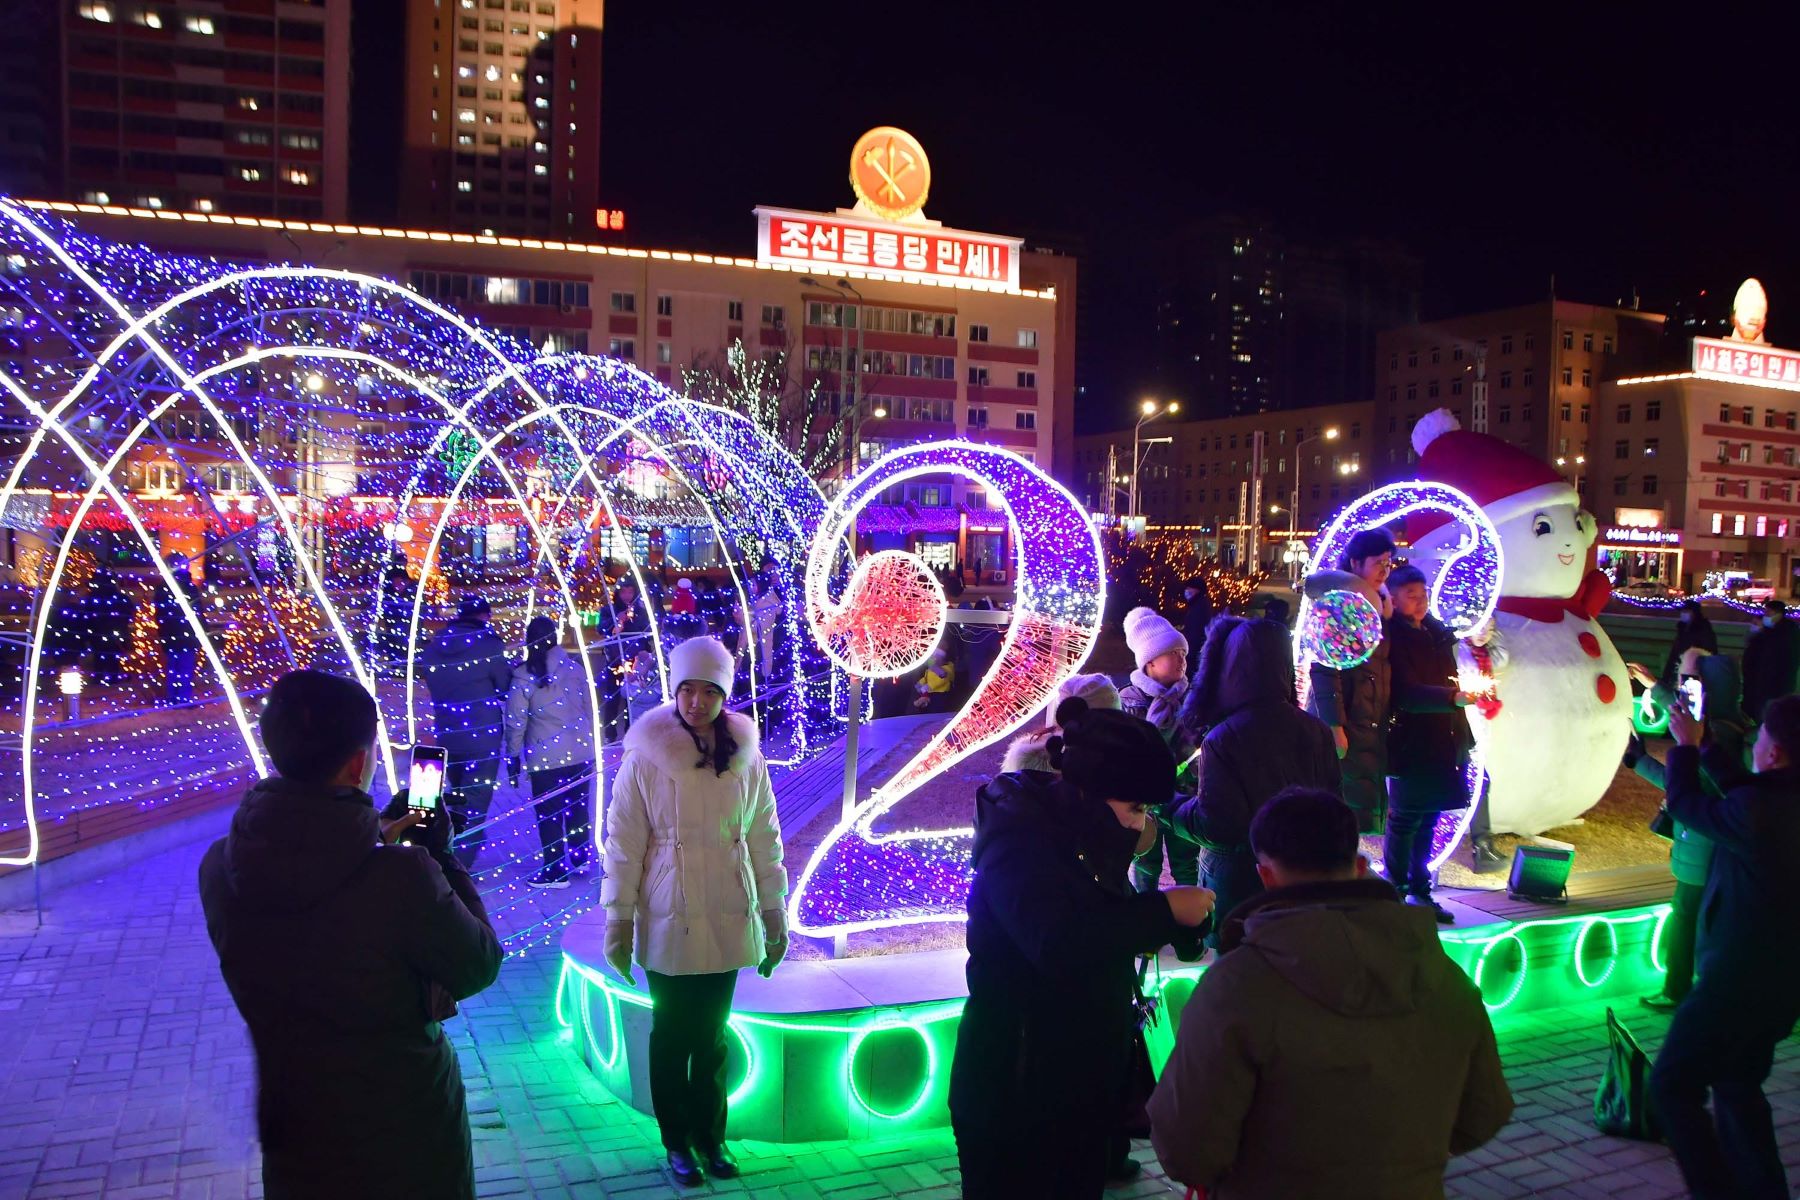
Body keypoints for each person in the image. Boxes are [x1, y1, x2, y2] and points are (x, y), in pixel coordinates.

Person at [198, 670, 503, 1199]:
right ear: (359, 764)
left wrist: (377, 834)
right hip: (405, 1130)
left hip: (294, 1127)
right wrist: (440, 856)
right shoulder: (402, 878)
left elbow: (306, 872)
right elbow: (478, 963)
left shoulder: (220, 867)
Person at [1149, 787, 1512, 1198]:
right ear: (1359, 866)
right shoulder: (1445, 977)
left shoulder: (1235, 988)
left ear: (1266, 877)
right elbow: (1482, 1116)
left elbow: (1186, 1149)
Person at [950, 697, 1216, 1199]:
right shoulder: (1020, 839)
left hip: (1076, 1085)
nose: (1141, 825)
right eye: (1136, 808)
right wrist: (1161, 911)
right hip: (1016, 1087)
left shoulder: (1084, 837)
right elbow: (1057, 940)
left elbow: (1101, 926)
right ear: (1091, 794)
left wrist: (1173, 924)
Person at [600, 636, 786, 1188]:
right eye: (687, 690)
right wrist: (619, 919)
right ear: (674, 690)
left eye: (709, 692)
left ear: (724, 696)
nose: (696, 702)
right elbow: (623, 843)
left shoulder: (746, 755)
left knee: (712, 1036)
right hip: (669, 912)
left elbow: (764, 835)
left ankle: (711, 1135)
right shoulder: (646, 756)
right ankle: (676, 1141)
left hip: (727, 909)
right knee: (672, 1034)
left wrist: (774, 911)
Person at [1651, 694, 1800, 1200]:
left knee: (1672, 1086)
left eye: (1761, 738)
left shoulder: (1758, 811)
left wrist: (1683, 749)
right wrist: (1707, 744)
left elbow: (1687, 805)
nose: (1754, 744)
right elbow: (1745, 790)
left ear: (1773, 753)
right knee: (1738, 1084)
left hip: (1735, 983)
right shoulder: (1777, 799)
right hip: (1781, 981)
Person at [1166, 616, 1340, 947]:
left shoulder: (1224, 737)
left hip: (1239, 891)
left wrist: (1169, 805)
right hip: (1306, 882)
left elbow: (1217, 826)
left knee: (1241, 971)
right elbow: (1335, 809)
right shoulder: (1316, 729)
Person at [1622, 649, 1751, 1011]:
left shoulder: (1713, 735)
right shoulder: (1733, 722)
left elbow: (1684, 786)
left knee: (1686, 915)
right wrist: (1655, 686)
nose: (1682, 687)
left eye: (1688, 681)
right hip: (1713, 843)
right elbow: (1686, 713)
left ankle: (1677, 989)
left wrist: (1639, 761)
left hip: (1700, 844)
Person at [1382, 564, 1478, 924]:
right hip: (1411, 742)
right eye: (1412, 595)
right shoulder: (1394, 637)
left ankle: (1420, 891)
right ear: (1393, 599)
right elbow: (1405, 693)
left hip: (1444, 737)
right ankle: (1394, 893)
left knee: (1429, 818)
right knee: (1406, 819)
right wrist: (1452, 698)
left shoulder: (1435, 633)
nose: (1421, 601)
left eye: (1424, 594)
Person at [1304, 528, 1394, 834]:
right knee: (1335, 806)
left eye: (1388, 563)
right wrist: (1334, 725)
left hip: (1366, 716)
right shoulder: (1342, 604)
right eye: (1378, 562)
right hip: (1346, 719)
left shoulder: (1378, 604)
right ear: (1355, 562)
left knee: (1354, 804)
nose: (1385, 570)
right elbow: (1325, 667)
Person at [419, 596, 513, 868]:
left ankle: (447, 849)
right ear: (483, 616)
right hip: (482, 735)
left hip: (447, 732)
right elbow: (504, 688)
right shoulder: (489, 645)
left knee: (456, 795)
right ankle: (459, 862)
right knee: (475, 800)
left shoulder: (433, 647)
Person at [505, 616, 597, 889]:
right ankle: (580, 858)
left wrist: (513, 755)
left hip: (546, 756)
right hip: (580, 752)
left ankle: (556, 872)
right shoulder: (575, 668)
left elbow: (515, 721)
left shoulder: (524, 676)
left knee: (549, 813)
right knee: (578, 807)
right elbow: (589, 708)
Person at [1120, 606, 1198, 891]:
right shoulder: (1128, 700)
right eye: (1172, 653)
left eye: (1183, 653)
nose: (1181, 659)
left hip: (1186, 794)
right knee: (1145, 863)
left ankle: (1193, 917)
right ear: (1149, 662)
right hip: (1143, 799)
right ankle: (1145, 915)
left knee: (1187, 863)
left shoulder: (1194, 699)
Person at [599, 578, 651, 739]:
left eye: (630, 592)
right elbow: (601, 629)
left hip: (636, 660)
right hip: (615, 659)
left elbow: (647, 631)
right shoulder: (609, 610)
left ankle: (631, 731)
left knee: (634, 697)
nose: (627, 596)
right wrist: (617, 620)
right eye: (623, 592)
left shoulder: (640, 610)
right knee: (612, 697)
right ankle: (610, 734)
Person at [153, 553, 201, 706]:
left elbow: (160, 613)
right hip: (186, 633)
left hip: (171, 633)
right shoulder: (189, 587)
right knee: (184, 667)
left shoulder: (163, 587)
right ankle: (182, 697)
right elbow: (198, 612)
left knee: (173, 667)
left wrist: (162, 630)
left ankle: (173, 697)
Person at [1742, 598, 1800, 720]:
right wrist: (1755, 633)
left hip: (1777, 681)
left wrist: (1761, 631)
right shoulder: (1769, 630)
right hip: (1761, 679)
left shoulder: (1787, 631)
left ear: (1779, 614)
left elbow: (1779, 654)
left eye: (1769, 613)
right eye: (1765, 613)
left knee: (1773, 711)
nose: (1766, 616)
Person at [81, 570, 134, 684]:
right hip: (112, 632)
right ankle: (111, 677)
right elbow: (128, 613)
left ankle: (101, 676)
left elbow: (87, 616)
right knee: (111, 655)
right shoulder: (119, 597)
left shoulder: (93, 598)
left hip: (99, 632)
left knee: (101, 655)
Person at [1660, 598, 1717, 687]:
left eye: (1686, 611)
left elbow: (1709, 653)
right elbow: (1674, 655)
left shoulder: (1703, 630)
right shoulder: (1682, 629)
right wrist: (1666, 678)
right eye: (1682, 611)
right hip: (1679, 673)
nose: (1683, 614)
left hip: (1695, 677)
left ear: (1694, 613)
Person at [372, 564, 416, 677]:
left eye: (400, 582)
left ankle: (406, 672)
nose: (397, 585)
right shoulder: (389, 594)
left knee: (406, 654)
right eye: (394, 582)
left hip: (409, 633)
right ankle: (397, 671)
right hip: (393, 633)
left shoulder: (413, 593)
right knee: (394, 651)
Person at [1179, 576, 1215, 676]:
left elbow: (1196, 632)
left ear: (1197, 590)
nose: (1186, 591)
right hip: (1194, 653)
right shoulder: (1197, 604)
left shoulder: (1199, 607)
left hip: (1194, 654)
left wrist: (1189, 653)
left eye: (1189, 588)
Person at [914, 646, 955, 711]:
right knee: (928, 708)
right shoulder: (932, 667)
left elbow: (942, 679)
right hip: (930, 693)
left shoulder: (948, 668)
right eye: (932, 657)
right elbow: (927, 677)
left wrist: (928, 686)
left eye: (935, 657)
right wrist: (920, 683)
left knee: (937, 709)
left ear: (943, 659)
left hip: (941, 694)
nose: (933, 659)